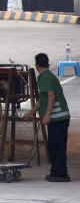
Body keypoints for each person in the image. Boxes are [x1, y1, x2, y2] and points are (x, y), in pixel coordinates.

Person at [22, 53, 70, 182]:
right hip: (58, 118)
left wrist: (47, 115)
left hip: (58, 117)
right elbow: (41, 101)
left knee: (57, 146)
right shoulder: (47, 76)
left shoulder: (45, 77)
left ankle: (60, 173)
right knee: (53, 145)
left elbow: (51, 96)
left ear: (37, 65)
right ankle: (56, 172)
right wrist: (30, 113)